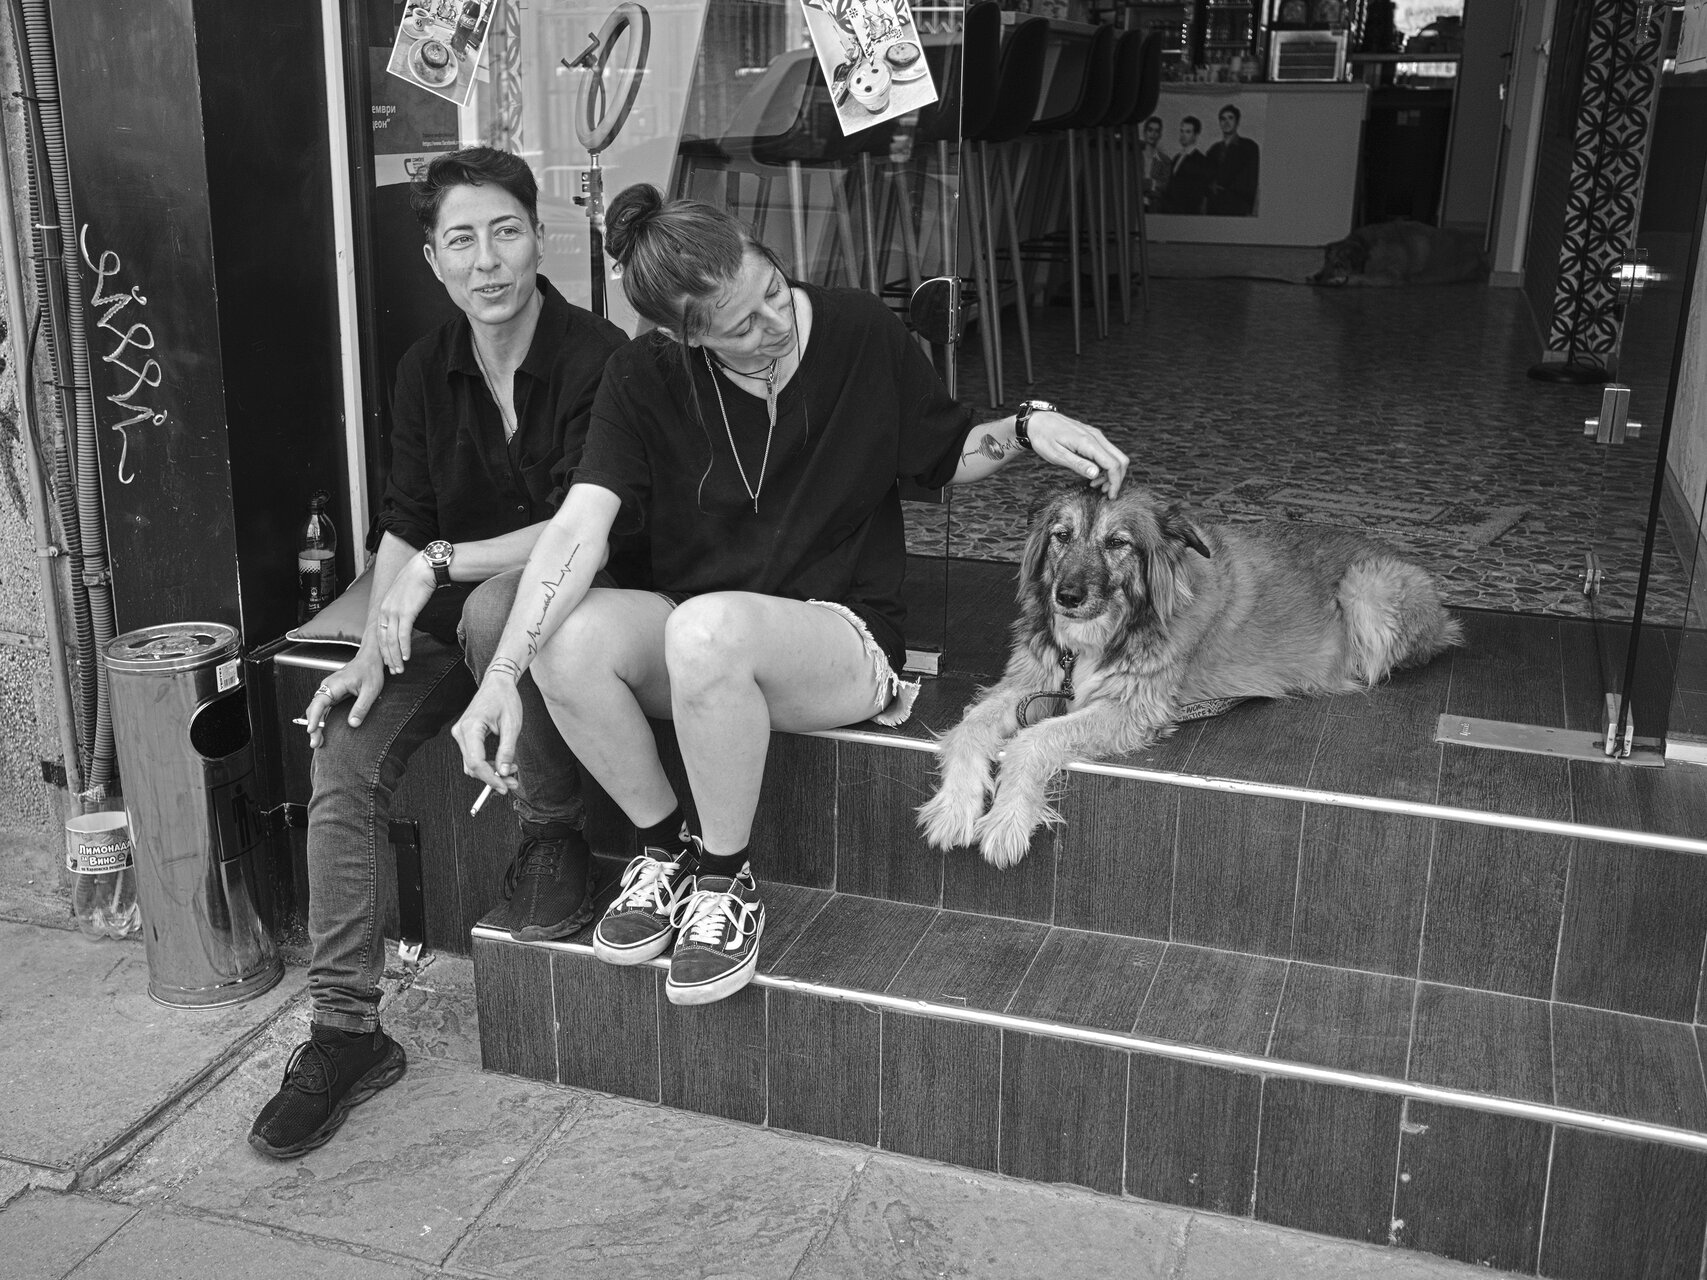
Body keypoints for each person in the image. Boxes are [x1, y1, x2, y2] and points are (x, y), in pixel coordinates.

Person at [450, 186, 1130, 1008]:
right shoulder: (640, 376)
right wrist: (501, 676)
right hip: (697, 639)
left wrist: (1023, 428)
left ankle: (726, 881)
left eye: (772, 289)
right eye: (741, 326)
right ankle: (665, 851)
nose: (774, 323)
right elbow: (576, 530)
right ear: (684, 337)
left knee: (706, 629)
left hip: (837, 638)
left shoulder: (857, 330)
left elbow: (944, 452)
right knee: (568, 636)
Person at [249, 147, 629, 1159]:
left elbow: (581, 528)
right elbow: (407, 522)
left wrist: (443, 564)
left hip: (569, 611)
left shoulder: (599, 357)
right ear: (432, 259)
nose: (486, 260)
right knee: (343, 748)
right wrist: (370, 648)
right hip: (444, 622)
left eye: (505, 232)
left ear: (538, 238)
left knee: (498, 605)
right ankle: (345, 1031)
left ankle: (552, 830)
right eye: (462, 239)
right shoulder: (425, 368)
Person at [1206, 104, 1260, 216]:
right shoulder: (1213, 149)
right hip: (1213, 208)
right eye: (1223, 119)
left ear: (1237, 122)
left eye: (1230, 118)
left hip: (1237, 207)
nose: (1226, 122)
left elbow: (1250, 180)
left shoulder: (1249, 147)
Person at [1161, 117, 1213, 215]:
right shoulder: (1177, 157)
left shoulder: (1201, 160)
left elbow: (1198, 192)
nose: (1183, 135)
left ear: (1195, 135)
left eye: (1188, 132)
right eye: (1182, 131)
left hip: (1187, 213)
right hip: (1171, 212)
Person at [1138, 116, 1171, 211]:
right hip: (1133, 203)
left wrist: (1146, 184)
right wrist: (1153, 184)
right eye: (1150, 130)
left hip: (1154, 206)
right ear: (1144, 132)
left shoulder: (1165, 160)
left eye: (1156, 131)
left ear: (1160, 135)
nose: (1153, 134)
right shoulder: (1134, 156)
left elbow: (1164, 186)